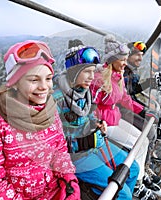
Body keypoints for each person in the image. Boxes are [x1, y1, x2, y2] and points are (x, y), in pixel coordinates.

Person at [0, 40, 80, 200]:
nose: (44, 86)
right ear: (15, 83)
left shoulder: (50, 112)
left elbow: (59, 151)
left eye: (48, 78)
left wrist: (68, 178)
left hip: (53, 192)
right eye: (34, 80)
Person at [53, 39, 140, 200]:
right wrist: (84, 142)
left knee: (133, 168)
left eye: (93, 71)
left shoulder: (84, 91)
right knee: (124, 195)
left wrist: (97, 123)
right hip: (76, 157)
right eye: (87, 71)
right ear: (74, 70)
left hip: (94, 145)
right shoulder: (57, 99)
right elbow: (51, 142)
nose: (91, 77)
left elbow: (89, 113)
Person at [90, 35, 157, 199]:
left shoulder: (117, 76)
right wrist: (94, 123)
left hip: (114, 118)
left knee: (144, 140)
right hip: (104, 122)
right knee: (136, 144)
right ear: (112, 59)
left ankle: (139, 177)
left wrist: (143, 111)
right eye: (123, 60)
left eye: (126, 59)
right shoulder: (99, 79)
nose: (125, 63)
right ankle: (137, 183)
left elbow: (125, 99)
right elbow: (90, 103)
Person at [122, 41, 161, 187]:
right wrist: (142, 110)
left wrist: (149, 83)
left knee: (156, 122)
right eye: (137, 55)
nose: (140, 58)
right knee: (149, 130)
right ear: (128, 56)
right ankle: (143, 169)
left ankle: (147, 161)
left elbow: (132, 90)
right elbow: (123, 97)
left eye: (142, 55)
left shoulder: (130, 71)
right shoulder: (122, 71)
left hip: (128, 106)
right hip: (121, 110)